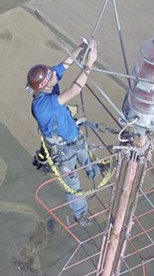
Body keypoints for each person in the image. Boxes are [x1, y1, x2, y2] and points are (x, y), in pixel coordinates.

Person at [26, 39, 99, 227]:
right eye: (51, 77)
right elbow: (74, 89)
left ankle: (95, 173)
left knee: (87, 160)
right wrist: (90, 64)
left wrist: (82, 48)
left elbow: (65, 63)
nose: (55, 76)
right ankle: (81, 213)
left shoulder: (47, 85)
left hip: (73, 138)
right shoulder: (42, 105)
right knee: (73, 185)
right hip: (63, 151)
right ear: (45, 85)